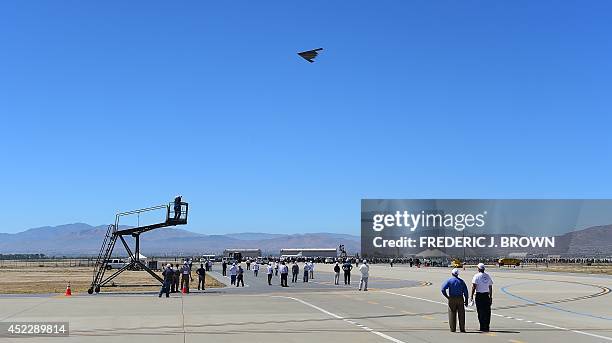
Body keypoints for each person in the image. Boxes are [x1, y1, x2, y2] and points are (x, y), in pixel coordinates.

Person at [441, 268, 469, 332]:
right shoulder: (461, 281)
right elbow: (465, 291)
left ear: (452, 273)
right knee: (461, 314)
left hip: (452, 298)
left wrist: (447, 296)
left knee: (452, 313)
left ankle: (453, 329)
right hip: (460, 298)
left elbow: (443, 289)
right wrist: (466, 299)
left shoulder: (449, 280)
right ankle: (462, 328)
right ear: (458, 274)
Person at [470, 263, 493, 332]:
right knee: (487, 312)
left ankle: (482, 326)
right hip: (486, 295)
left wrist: (471, 295)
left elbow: (474, 286)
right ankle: (487, 326)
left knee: (480, 311)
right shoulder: (487, 276)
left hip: (479, 295)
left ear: (478, 269)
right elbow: (490, 287)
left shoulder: (476, 276)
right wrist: (491, 297)